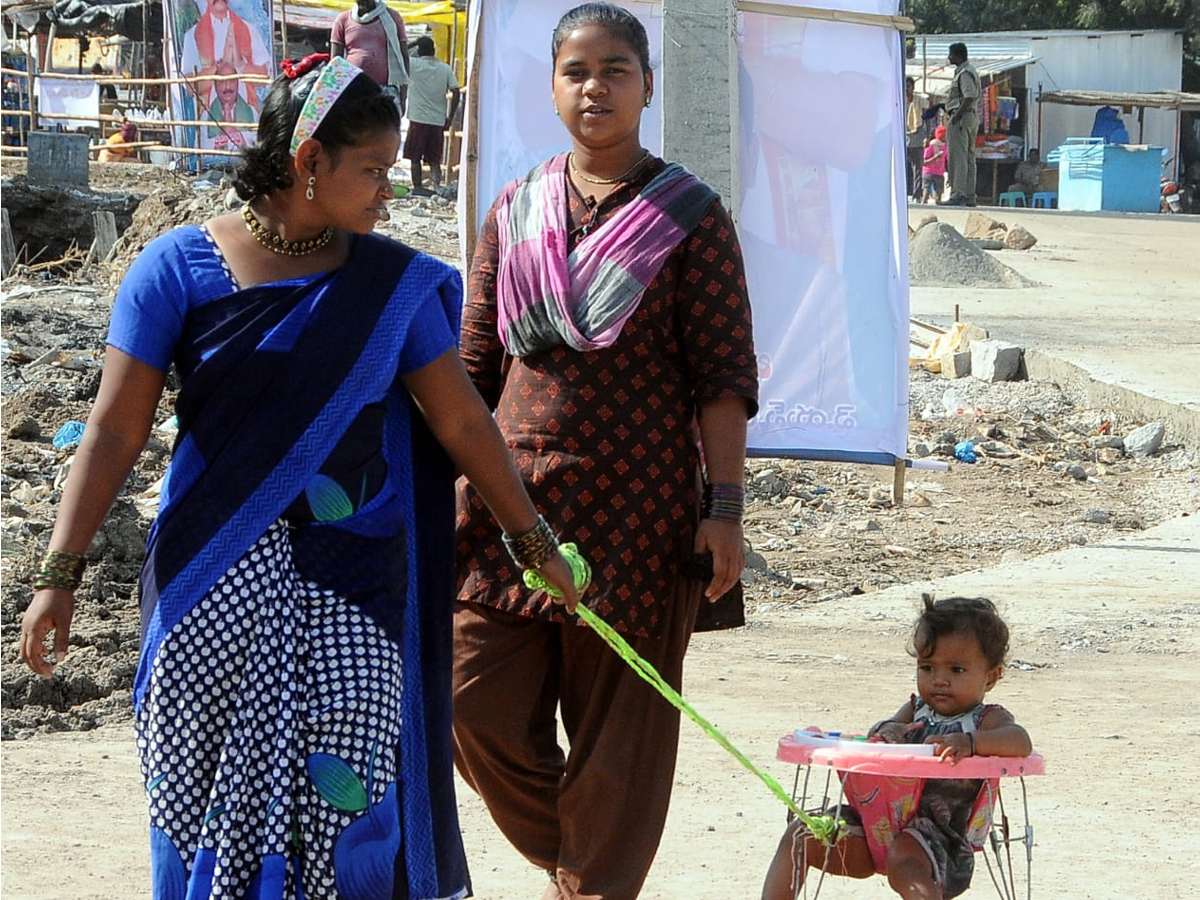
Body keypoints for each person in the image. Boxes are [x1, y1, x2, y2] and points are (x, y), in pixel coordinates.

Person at [19, 54, 581, 900]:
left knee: (349, 798)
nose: (389, 190)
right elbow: (113, 428)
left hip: (355, 588)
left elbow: (461, 419)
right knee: (195, 790)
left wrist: (531, 540)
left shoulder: (388, 284)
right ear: (309, 161)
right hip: (209, 582)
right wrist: (58, 576)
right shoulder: (175, 269)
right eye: (372, 171)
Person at [451, 5, 758, 899]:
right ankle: (586, 865)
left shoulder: (692, 217)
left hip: (642, 516)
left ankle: (592, 879)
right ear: (551, 88)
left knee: (618, 740)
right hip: (509, 512)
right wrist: (443, 488)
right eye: (578, 71)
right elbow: (473, 365)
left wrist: (725, 510)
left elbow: (723, 378)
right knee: (470, 704)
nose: (597, 87)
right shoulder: (515, 208)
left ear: (647, 86)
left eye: (617, 69)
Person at [762, 595, 1033, 900]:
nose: (939, 680)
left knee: (906, 857)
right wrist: (888, 729)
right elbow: (878, 735)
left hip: (937, 840)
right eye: (928, 668)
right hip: (873, 824)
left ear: (991, 677)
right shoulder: (915, 710)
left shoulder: (985, 719)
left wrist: (971, 743)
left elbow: (1020, 741)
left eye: (956, 670)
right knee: (801, 833)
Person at [179, 0, 270, 111]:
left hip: (247, 121)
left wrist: (240, 64)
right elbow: (190, 87)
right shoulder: (192, 36)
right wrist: (221, 66)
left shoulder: (249, 30)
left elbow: (265, 79)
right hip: (210, 123)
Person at [403, 35, 460, 197]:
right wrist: (450, 117)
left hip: (417, 118)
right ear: (434, 51)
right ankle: (437, 186)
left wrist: (413, 43)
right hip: (437, 120)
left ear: (419, 51)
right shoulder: (445, 68)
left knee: (415, 156)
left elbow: (400, 53)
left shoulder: (413, 65)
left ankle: (418, 187)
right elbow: (456, 91)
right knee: (435, 157)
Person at [331, 0, 410, 112]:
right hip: (354, 90)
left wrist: (403, 95)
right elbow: (335, 63)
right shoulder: (343, 20)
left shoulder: (392, 17)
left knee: (384, 128)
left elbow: (404, 56)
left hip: (386, 91)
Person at [942, 42, 980, 207]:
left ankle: (958, 194)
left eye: (950, 54)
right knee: (969, 158)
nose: (949, 57)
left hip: (961, 117)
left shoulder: (964, 73)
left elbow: (969, 96)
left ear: (957, 55)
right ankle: (969, 195)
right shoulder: (971, 71)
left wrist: (956, 116)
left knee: (958, 158)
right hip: (970, 117)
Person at [204, 61, 256, 150]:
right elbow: (203, 148)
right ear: (216, 86)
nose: (227, 86)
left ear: (237, 84)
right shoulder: (206, 116)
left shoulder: (252, 112)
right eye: (222, 81)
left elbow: (257, 145)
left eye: (232, 80)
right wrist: (222, 137)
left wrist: (239, 138)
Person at [905, 76, 928, 201]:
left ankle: (917, 195)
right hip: (903, 140)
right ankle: (903, 193)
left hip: (917, 139)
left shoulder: (919, 101)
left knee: (917, 170)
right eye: (905, 87)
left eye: (908, 87)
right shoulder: (899, 101)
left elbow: (927, 117)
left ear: (913, 88)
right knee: (902, 170)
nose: (906, 89)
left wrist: (927, 136)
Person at [920, 125, 947, 204]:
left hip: (939, 173)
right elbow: (924, 162)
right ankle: (921, 209)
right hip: (928, 172)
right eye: (945, 135)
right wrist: (936, 157)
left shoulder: (945, 146)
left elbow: (946, 160)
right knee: (926, 193)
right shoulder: (930, 145)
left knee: (938, 196)